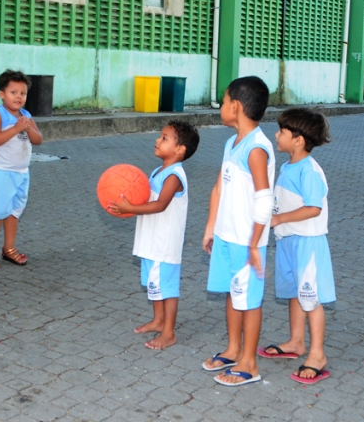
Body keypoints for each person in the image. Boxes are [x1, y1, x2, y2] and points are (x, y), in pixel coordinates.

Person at [201, 76, 275, 386]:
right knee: (233, 294)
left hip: (248, 241)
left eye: (223, 100)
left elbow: (264, 199)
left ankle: (250, 362)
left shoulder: (257, 148)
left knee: (250, 300)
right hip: (226, 236)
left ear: (236, 106)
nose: (220, 106)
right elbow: (219, 188)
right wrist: (210, 228)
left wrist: (255, 244)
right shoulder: (232, 143)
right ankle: (233, 349)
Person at [258, 108, 335, 385]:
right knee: (293, 292)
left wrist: (279, 219)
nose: (276, 135)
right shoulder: (289, 165)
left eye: (281, 132)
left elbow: (313, 208)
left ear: (299, 139)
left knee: (309, 297)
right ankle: (296, 342)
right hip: (288, 240)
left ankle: (317, 354)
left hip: (307, 243)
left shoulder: (310, 171)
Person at [110, 121, 200, 350]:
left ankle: (169, 333)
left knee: (167, 288)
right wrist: (126, 204)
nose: (157, 140)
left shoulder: (175, 176)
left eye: (164, 138)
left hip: (164, 244)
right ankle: (159, 321)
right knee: (154, 284)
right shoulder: (158, 171)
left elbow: (160, 205)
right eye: (160, 136)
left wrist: (130, 207)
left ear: (180, 149)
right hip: (150, 241)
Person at [0, 70, 43, 271]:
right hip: (1, 171)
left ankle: (8, 248)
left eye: (22, 93)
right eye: (13, 92)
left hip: (21, 172)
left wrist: (28, 128)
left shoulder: (26, 116)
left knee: (14, 211)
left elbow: (38, 139)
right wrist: (15, 129)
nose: (18, 97)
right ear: (2, 94)